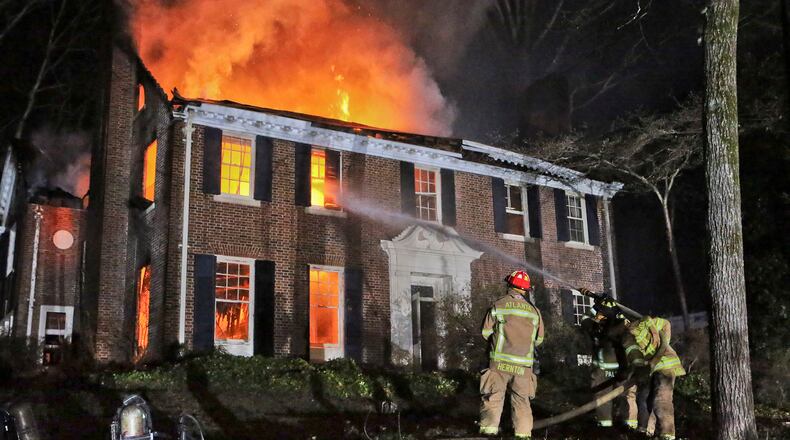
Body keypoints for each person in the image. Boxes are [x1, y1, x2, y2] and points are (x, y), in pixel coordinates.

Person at [479, 270, 544, 439]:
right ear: (525, 289)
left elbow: (485, 333)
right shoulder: (535, 311)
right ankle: (523, 436)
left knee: (493, 398)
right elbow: (539, 340)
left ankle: (488, 435)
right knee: (522, 402)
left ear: (509, 285)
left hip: (499, 364)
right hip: (524, 366)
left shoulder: (498, 305)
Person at [579, 295, 638, 430]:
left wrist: (596, 306)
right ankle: (628, 426)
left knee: (602, 398)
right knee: (624, 397)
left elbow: (584, 318)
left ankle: (605, 427)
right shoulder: (622, 327)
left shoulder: (594, 326)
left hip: (601, 370)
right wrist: (615, 307)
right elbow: (625, 321)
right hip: (620, 369)